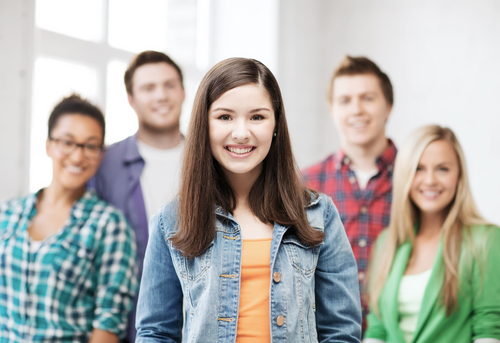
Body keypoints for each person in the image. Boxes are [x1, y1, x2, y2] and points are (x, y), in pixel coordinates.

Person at [135, 57, 362, 342]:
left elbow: (341, 331)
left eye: (257, 117)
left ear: (276, 123)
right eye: (224, 117)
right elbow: (155, 333)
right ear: (204, 125)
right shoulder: (171, 222)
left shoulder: (318, 214)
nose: (241, 133)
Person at [0, 95, 137, 342]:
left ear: (101, 154)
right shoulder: (7, 214)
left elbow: (108, 323)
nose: (77, 157)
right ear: (48, 145)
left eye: (90, 145)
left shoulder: (109, 225)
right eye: (67, 142)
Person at [364, 125, 500, 343]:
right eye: (419, 168)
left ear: (459, 176)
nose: (430, 180)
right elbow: (377, 330)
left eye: (442, 169)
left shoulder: (486, 240)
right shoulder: (386, 243)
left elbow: (488, 330)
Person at [89, 50, 186, 342]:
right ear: (131, 99)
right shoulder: (105, 164)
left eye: (169, 85)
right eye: (148, 88)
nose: (161, 96)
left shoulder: (211, 159)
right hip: (129, 327)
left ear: (183, 92)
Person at [302, 56, 396, 329]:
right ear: (332, 109)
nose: (357, 110)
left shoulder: (419, 179)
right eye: (345, 100)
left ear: (388, 106)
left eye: (368, 98)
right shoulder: (305, 184)